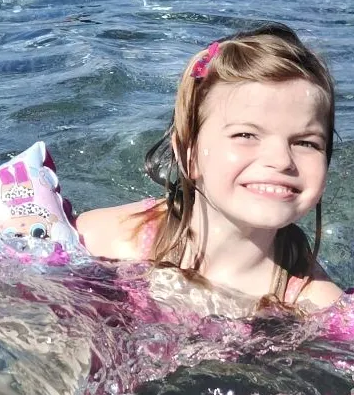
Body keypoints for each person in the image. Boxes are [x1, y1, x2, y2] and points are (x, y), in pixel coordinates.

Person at [75, 22, 343, 316]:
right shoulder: (105, 241)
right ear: (188, 154)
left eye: (305, 143)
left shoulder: (317, 305)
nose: (281, 160)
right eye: (246, 135)